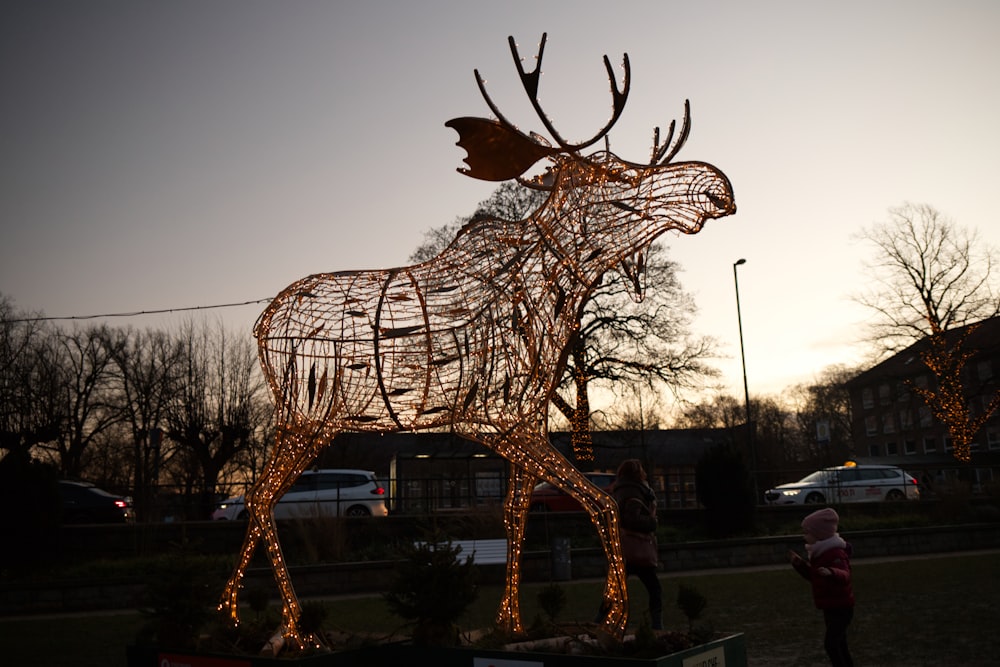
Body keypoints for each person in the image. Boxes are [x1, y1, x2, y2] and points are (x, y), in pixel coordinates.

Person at [790, 507, 855, 667]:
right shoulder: (819, 553)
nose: (804, 536)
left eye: (807, 533)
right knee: (840, 644)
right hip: (831, 606)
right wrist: (800, 566)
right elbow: (815, 577)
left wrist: (831, 572)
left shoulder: (834, 553)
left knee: (832, 644)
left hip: (841, 606)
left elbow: (845, 575)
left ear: (819, 535)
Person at [611, 458, 663, 630]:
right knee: (654, 589)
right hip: (637, 547)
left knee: (615, 591)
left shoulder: (619, 489)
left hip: (623, 548)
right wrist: (652, 522)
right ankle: (657, 626)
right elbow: (631, 519)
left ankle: (601, 621)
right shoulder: (635, 491)